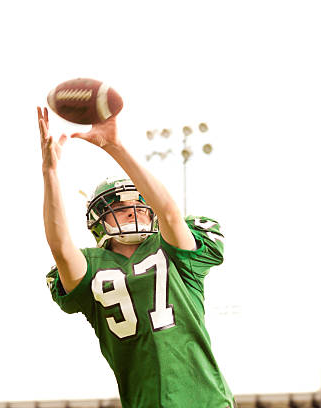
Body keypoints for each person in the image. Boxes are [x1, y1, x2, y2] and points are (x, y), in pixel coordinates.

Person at [37, 106, 235, 408]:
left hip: (206, 401)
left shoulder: (172, 248)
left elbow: (169, 212)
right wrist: (49, 172)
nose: (132, 211)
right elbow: (61, 248)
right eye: (120, 207)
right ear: (98, 220)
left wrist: (116, 147)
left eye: (140, 206)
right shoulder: (92, 266)